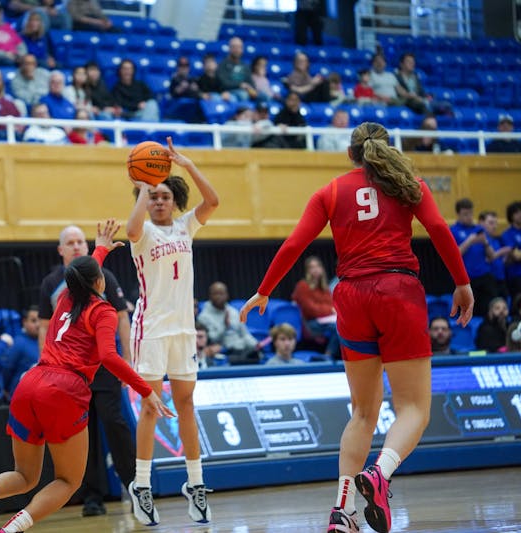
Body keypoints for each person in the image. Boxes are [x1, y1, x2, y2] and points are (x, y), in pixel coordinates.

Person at [238, 121, 473, 533]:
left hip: (349, 296)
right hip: (397, 290)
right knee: (414, 408)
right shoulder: (408, 183)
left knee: (363, 412)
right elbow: (437, 229)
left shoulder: (330, 190)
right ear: (387, 149)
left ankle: (342, 512)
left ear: (351, 154)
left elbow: (294, 244)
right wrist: (462, 282)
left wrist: (263, 291)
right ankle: (379, 474)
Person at [0, 221, 173, 533]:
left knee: (25, 475)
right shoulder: (103, 311)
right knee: (67, 480)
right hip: (64, 388)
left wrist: (102, 247)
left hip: (30, 382)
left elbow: (84, 273)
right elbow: (108, 356)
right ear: (98, 281)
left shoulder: (64, 299)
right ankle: (8, 530)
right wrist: (145, 390)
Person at [127, 136, 220, 526]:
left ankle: (195, 484)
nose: (159, 201)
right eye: (154, 197)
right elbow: (131, 229)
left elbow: (213, 201)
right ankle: (142, 486)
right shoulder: (143, 232)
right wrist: (142, 188)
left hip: (183, 332)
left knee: (186, 405)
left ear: (174, 200)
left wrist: (186, 164)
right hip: (150, 331)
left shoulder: (186, 226)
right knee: (150, 407)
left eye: (165, 196)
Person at [37, 223, 135, 517]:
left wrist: (127, 358)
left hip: (103, 366)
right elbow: (44, 328)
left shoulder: (104, 277)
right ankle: (93, 497)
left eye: (81, 241)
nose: (78, 246)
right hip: (69, 372)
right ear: (61, 250)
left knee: (114, 423)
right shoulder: (51, 284)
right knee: (82, 432)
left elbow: (122, 317)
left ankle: (134, 486)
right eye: (71, 242)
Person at [451, 198, 499, 317]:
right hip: (466, 279)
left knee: (491, 310)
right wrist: (470, 241)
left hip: (485, 276)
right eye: (465, 214)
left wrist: (485, 243)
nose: (469, 217)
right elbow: (454, 255)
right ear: (458, 214)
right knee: (468, 313)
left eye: (470, 213)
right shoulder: (453, 230)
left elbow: (492, 256)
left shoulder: (479, 229)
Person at [197, 281, 260, 364]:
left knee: (256, 355)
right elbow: (211, 339)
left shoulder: (234, 312)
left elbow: (244, 334)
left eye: (222, 293)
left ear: (227, 295)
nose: (219, 296)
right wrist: (224, 325)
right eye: (216, 293)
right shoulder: (203, 317)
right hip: (223, 352)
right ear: (210, 296)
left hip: (242, 349)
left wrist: (256, 344)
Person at [292, 255, 341, 358]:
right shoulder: (303, 285)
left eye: (317, 266)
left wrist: (329, 309)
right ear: (307, 270)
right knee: (338, 327)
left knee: (346, 326)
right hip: (311, 323)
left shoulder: (325, 288)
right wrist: (330, 310)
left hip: (327, 321)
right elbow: (310, 309)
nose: (315, 269)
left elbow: (332, 304)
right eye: (311, 267)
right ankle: (328, 355)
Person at [4, 306, 40, 398]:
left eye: (40, 320)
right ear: (24, 322)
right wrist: (6, 389)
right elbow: (7, 369)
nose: (38, 324)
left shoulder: (47, 342)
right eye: (33, 321)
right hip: (21, 396)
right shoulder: (18, 343)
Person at [479, 210, 512, 298]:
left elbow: (500, 261)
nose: (494, 226)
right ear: (481, 223)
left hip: (501, 279)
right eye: (491, 223)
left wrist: (507, 257)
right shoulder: (479, 240)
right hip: (489, 281)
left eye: (496, 223)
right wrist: (501, 252)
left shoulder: (496, 240)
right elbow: (483, 260)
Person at [217, 37, 253, 102]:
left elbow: (250, 82)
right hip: (229, 92)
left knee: (263, 96)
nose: (237, 50)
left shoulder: (245, 65)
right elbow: (224, 84)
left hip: (245, 91)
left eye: (239, 47)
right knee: (243, 95)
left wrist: (252, 89)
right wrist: (240, 85)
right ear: (229, 49)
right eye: (234, 47)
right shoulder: (222, 64)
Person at [502, 201, 521, 298]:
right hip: (516, 275)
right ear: (511, 216)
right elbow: (516, 255)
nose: (520, 214)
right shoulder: (507, 234)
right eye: (517, 212)